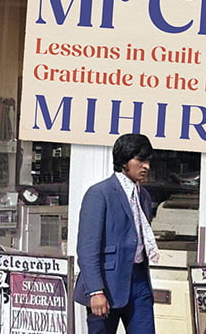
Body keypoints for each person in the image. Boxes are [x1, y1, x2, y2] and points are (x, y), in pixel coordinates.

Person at [73, 133, 160, 334]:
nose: (146, 166)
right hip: (106, 282)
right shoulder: (99, 193)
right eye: (140, 159)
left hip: (138, 279)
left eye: (148, 160)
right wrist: (95, 290)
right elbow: (87, 249)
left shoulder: (143, 196)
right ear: (123, 161)